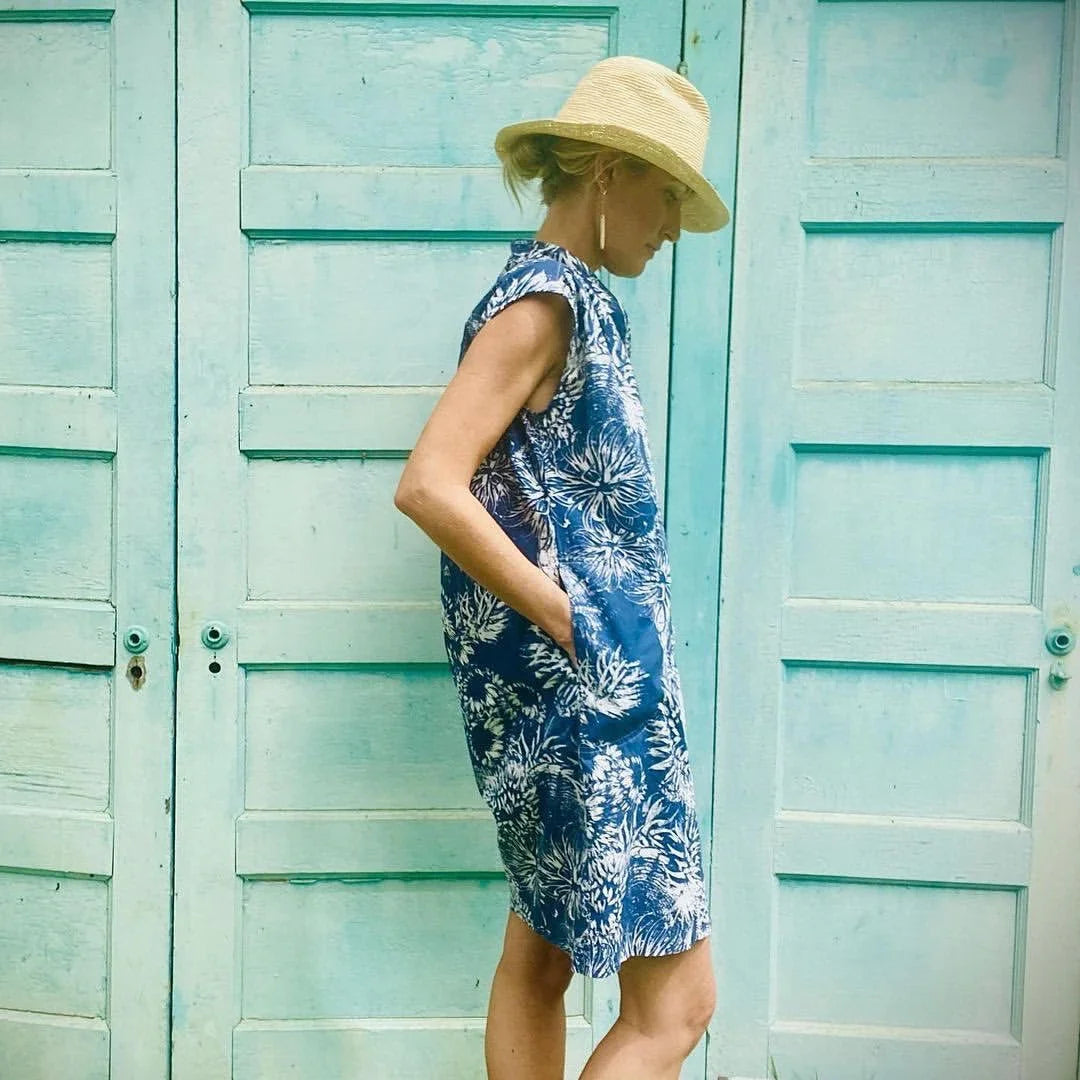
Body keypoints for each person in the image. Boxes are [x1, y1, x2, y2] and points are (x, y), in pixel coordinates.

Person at [394, 55, 731, 1080]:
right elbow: (429, 482)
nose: (673, 223)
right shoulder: (545, 302)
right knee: (680, 1002)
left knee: (536, 961)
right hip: (590, 701)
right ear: (604, 171)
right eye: (668, 190)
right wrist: (567, 615)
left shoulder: (562, 296)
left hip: (578, 697)